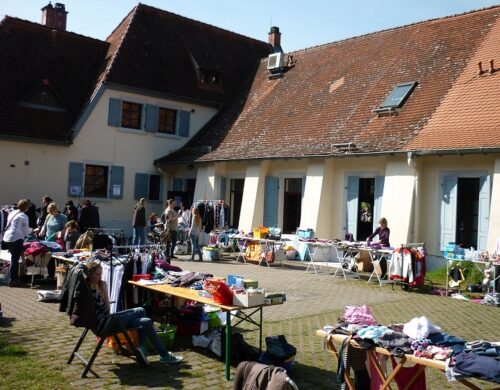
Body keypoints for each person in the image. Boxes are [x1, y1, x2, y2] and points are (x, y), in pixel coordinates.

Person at [86, 262, 182, 364]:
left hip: (106, 322)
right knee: (141, 310)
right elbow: (107, 310)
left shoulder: (90, 288)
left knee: (146, 321)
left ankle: (161, 354)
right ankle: (146, 349)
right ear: (90, 274)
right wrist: (105, 290)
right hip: (106, 324)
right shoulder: (92, 291)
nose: (99, 277)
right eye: (97, 274)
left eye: (101, 274)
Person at [2, 199, 31, 287]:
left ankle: (13, 278)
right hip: (16, 238)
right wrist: (32, 231)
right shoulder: (24, 216)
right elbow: (25, 231)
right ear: (26, 207)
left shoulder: (12, 212)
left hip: (6, 237)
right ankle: (13, 280)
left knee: (13, 259)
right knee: (14, 260)